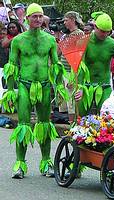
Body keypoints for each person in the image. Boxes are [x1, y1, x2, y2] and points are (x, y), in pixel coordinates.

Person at [3, 3, 67, 179]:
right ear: (28, 18)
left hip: (45, 85)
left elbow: (56, 64)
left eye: (40, 16)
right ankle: (20, 165)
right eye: (34, 16)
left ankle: (46, 163)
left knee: (45, 126)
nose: (38, 19)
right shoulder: (18, 40)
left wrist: (59, 87)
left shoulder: (50, 40)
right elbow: (12, 66)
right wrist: (9, 91)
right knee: (23, 125)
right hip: (25, 85)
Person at [75, 12, 114, 116]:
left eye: (107, 32)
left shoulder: (113, 44)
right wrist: (80, 87)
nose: (104, 34)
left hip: (104, 85)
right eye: (102, 31)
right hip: (86, 86)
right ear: (95, 26)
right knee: (81, 119)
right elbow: (79, 66)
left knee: (106, 118)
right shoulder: (83, 41)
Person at [59, 11, 84, 122]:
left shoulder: (79, 34)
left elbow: (79, 57)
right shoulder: (67, 35)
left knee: (72, 102)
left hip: (72, 72)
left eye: (66, 20)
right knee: (67, 101)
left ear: (73, 20)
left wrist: (74, 76)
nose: (64, 22)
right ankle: (71, 126)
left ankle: (73, 126)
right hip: (65, 71)